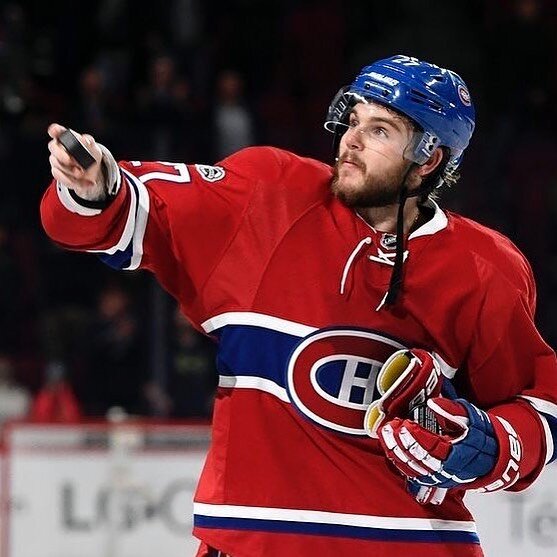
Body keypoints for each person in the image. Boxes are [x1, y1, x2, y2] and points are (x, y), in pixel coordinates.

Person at [40, 55, 557, 557]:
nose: (350, 140)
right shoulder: (269, 197)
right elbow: (138, 213)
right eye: (352, 119)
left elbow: (538, 405)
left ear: (429, 158)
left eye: (380, 130)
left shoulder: (484, 268)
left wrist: (492, 445)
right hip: (256, 542)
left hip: (412, 544)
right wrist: (97, 191)